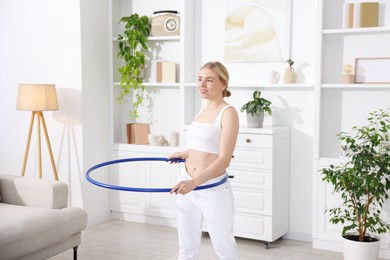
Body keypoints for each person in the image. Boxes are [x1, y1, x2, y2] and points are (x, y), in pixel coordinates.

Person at [168, 61, 239, 260]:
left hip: (211, 189)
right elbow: (203, 146)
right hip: (186, 183)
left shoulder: (228, 113)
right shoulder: (202, 110)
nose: (202, 85)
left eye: (209, 80)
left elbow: (224, 159)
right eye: (200, 79)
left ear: (223, 84)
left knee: (225, 250)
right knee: (186, 248)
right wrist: (185, 153)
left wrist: (194, 182)